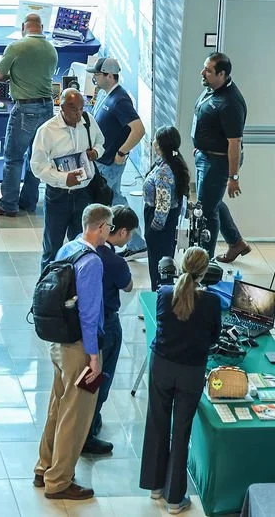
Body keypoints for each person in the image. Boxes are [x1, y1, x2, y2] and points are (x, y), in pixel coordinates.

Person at [34, 203, 109, 501]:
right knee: (74, 415)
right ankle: (59, 480)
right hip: (79, 347)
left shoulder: (67, 249)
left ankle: (44, 467)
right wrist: (93, 356)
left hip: (58, 342)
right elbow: (89, 314)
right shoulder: (92, 262)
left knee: (56, 405)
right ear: (101, 227)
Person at [140, 246, 222, 515]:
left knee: (157, 422)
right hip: (191, 372)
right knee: (181, 431)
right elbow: (213, 338)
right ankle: (175, 498)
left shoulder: (164, 294)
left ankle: (154, 485)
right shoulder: (211, 302)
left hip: (162, 366)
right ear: (206, 272)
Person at [0, 12, 57, 218]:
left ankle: (8, 204)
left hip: (25, 109)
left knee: (13, 158)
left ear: (24, 28)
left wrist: (10, 76)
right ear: (41, 27)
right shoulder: (51, 49)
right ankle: (29, 202)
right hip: (47, 109)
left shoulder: (17, 47)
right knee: (37, 157)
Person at [85, 205, 139, 456]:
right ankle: (88, 431)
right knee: (100, 378)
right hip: (106, 324)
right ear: (122, 232)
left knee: (84, 378)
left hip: (83, 322)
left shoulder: (82, 247)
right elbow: (128, 287)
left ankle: (86, 423)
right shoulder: (114, 261)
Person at [31, 88, 105, 269]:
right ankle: (47, 289)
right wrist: (64, 178)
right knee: (52, 247)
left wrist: (96, 152)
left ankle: (77, 287)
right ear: (61, 107)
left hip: (84, 194)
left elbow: (100, 142)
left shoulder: (87, 121)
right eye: (73, 108)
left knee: (82, 245)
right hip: (58, 195)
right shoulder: (47, 131)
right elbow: (37, 166)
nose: (78, 113)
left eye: (81, 108)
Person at [191, 52, 251, 262]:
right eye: (204, 67)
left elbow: (235, 143)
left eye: (208, 70)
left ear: (222, 74)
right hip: (205, 156)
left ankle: (203, 263)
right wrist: (200, 145)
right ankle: (236, 242)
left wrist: (233, 177)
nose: (203, 72)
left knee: (207, 212)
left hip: (217, 163)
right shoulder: (211, 90)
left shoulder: (231, 103)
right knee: (211, 202)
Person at [89, 56, 147, 257]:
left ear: (109, 76)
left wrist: (122, 152)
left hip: (110, 163)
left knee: (112, 201)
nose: (95, 78)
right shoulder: (108, 95)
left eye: (97, 74)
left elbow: (138, 129)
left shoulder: (120, 99)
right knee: (115, 200)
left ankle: (136, 242)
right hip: (103, 161)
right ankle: (137, 242)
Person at [144, 127, 190, 291]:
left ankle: (159, 300)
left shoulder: (164, 172)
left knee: (158, 265)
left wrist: (154, 227)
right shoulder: (170, 163)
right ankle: (164, 297)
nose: (153, 141)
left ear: (160, 145)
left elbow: (163, 203)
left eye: (156, 139)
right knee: (163, 263)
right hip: (167, 221)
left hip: (160, 222)